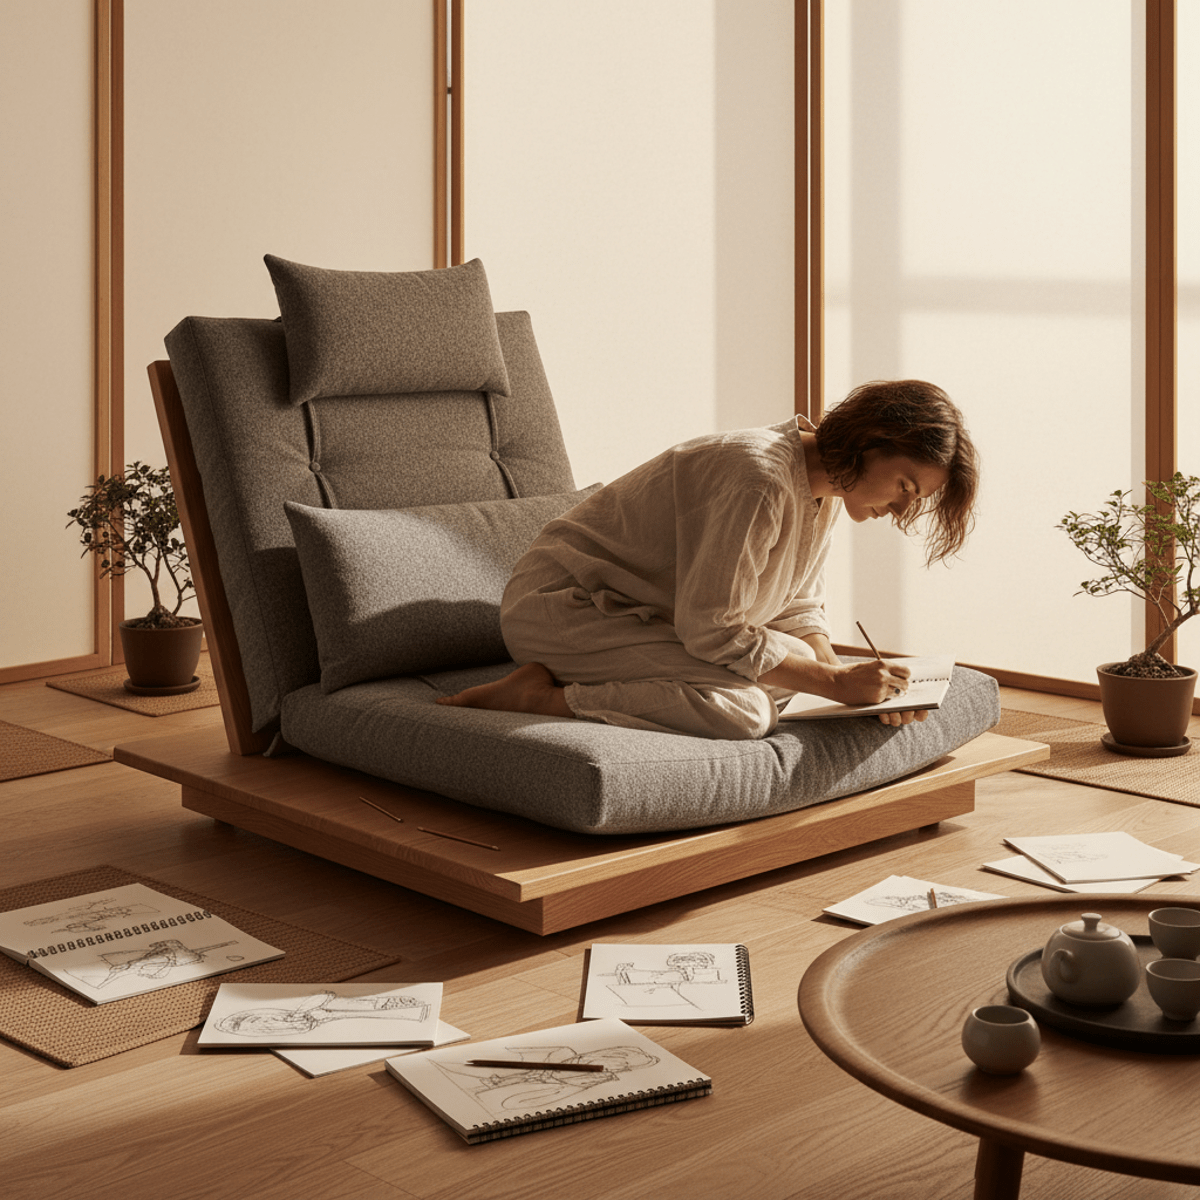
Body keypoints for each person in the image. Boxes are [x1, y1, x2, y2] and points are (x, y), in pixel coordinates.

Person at [438, 379, 978, 740]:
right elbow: (714, 629)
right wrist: (832, 684)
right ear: (868, 443)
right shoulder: (759, 477)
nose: (906, 506)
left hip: (654, 619)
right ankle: (536, 698)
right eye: (907, 485)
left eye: (919, 498)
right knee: (746, 712)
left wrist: (843, 683)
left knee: (793, 675)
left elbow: (797, 610)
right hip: (568, 610)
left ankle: (562, 688)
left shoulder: (826, 491)